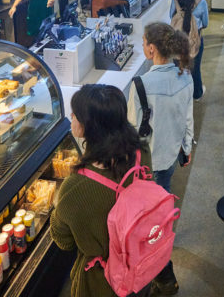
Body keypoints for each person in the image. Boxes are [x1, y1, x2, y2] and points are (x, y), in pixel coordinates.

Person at [50, 84, 152, 297]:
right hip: (141, 263)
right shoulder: (141, 152)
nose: (71, 117)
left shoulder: (75, 189)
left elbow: (64, 240)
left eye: (76, 114)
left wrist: (57, 203)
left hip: (103, 282)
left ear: (88, 127)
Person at [126, 22, 192, 295]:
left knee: (148, 220)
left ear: (151, 49)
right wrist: (186, 149)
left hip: (146, 165)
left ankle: (163, 274)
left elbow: (131, 129)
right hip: (170, 157)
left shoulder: (141, 84)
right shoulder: (185, 75)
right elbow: (187, 118)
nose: (142, 47)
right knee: (161, 207)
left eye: (143, 43)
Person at [169, 0, 208, 100]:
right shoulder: (201, 2)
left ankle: (179, 93)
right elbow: (205, 23)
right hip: (195, 39)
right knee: (195, 68)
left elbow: (171, 16)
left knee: (177, 67)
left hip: (177, 39)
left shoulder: (175, 0)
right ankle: (197, 94)